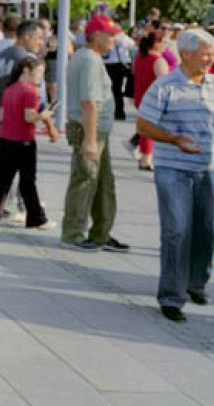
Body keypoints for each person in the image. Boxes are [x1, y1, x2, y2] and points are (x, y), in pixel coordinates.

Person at [136, 29, 214, 323]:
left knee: (206, 231)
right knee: (177, 231)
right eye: (206, 53)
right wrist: (173, 139)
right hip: (173, 169)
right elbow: (143, 125)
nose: (213, 58)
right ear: (186, 54)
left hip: (211, 168)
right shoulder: (164, 87)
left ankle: (196, 283)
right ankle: (171, 297)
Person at [60, 14, 131, 253]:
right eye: (109, 35)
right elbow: (89, 102)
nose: (114, 39)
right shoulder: (89, 60)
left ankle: (101, 233)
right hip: (90, 130)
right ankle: (73, 233)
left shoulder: (87, 56)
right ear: (96, 36)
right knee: (86, 180)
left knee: (102, 183)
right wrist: (90, 140)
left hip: (96, 130)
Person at [0, 56, 59, 231]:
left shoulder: (10, 89)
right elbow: (29, 117)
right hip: (23, 141)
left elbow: (1, 115)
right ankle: (37, 218)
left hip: (6, 139)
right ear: (26, 71)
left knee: (2, 181)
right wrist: (44, 116)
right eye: (39, 73)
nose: (40, 78)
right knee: (28, 181)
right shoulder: (31, 92)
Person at [130, 30, 171, 171]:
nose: (167, 45)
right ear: (156, 44)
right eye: (164, 42)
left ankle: (144, 157)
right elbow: (165, 83)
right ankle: (146, 159)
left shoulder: (140, 57)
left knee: (146, 128)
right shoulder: (158, 61)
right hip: (154, 99)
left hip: (141, 96)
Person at [105, 25, 135, 120]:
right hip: (118, 64)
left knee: (111, 89)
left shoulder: (109, 37)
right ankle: (119, 112)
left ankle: (115, 111)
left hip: (109, 63)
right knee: (117, 90)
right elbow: (132, 45)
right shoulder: (124, 38)